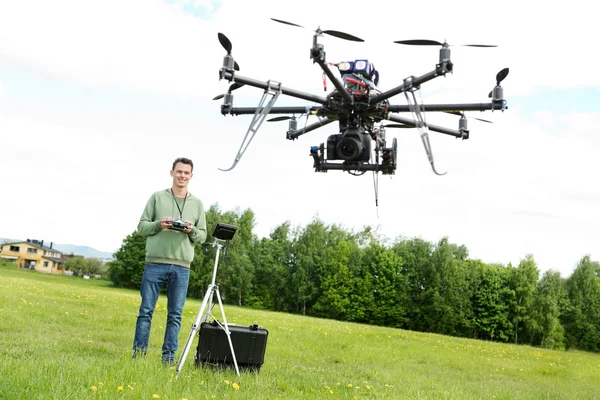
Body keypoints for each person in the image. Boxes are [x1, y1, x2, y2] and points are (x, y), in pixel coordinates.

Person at [132, 157, 207, 365]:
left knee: (175, 315)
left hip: (182, 266)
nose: (182, 175)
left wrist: (191, 230)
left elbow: (203, 236)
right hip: (154, 263)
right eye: (179, 171)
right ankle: (139, 354)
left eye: (186, 173)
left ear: (191, 176)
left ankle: (168, 359)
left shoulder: (198, 203)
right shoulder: (157, 197)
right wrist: (159, 224)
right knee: (145, 311)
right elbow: (142, 227)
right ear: (171, 172)